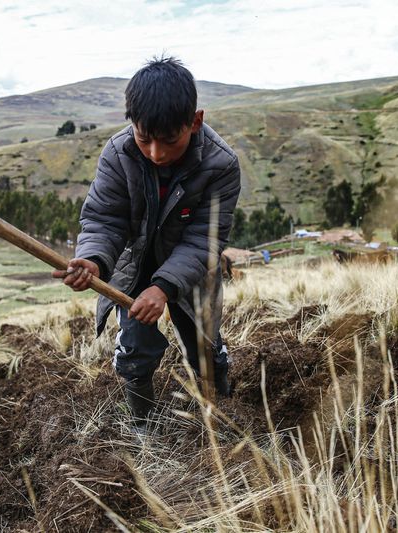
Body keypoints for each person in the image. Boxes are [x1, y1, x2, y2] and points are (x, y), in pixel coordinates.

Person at [52, 57, 241, 429]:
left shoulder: (221, 165)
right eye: (144, 139)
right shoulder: (119, 153)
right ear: (132, 126)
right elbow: (105, 218)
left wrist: (164, 287)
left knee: (204, 344)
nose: (155, 153)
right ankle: (142, 428)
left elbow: (205, 238)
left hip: (192, 271)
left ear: (195, 121)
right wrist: (93, 260)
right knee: (135, 350)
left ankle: (222, 411)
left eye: (169, 140)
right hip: (134, 265)